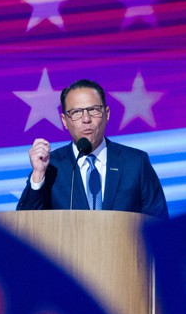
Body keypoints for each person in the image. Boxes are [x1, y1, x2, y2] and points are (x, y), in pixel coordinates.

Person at [16, 79, 169, 219]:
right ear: (65, 121)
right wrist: (38, 176)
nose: (86, 119)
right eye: (76, 112)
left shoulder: (135, 163)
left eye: (93, 110)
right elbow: (26, 225)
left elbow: (159, 223)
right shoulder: (50, 166)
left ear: (106, 114)